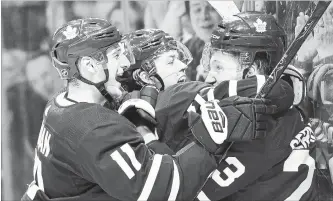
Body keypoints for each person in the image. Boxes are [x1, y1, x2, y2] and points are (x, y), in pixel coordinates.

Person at [20, 18, 276, 201]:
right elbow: (163, 190)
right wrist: (211, 136)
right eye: (116, 54)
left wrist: (143, 110)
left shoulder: (59, 108)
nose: (125, 63)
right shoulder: (92, 128)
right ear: (89, 67)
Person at [119, 12, 317, 201]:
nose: (209, 77)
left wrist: (146, 136)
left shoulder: (256, 125)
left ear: (252, 71)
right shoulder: (270, 109)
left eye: (219, 67)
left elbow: (179, 190)